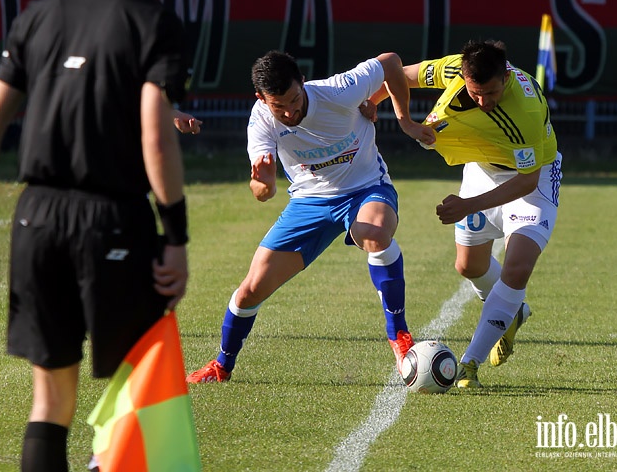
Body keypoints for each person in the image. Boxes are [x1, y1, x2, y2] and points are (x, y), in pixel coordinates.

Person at [0, 0, 193, 471]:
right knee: (138, 391)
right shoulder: (154, 22)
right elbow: (155, 134)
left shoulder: (38, 15)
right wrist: (176, 237)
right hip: (116, 222)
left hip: (37, 218)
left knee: (49, 400)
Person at [185, 50, 435, 384]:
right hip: (308, 203)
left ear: (303, 82)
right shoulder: (261, 121)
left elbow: (391, 63)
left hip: (366, 189)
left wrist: (403, 118)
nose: (290, 111)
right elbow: (262, 192)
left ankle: (400, 336)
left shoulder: (337, 90)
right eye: (279, 106)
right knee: (250, 290)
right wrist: (263, 182)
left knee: (373, 233)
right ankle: (222, 366)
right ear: (261, 99)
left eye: (294, 99)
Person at [364, 39, 562, 389]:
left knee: (517, 266)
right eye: (475, 93)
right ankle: (511, 310)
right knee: (468, 266)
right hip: (483, 166)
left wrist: (469, 205)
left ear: (506, 78)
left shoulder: (525, 112)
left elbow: (526, 180)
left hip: (534, 178)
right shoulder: (456, 67)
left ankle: (470, 364)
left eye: (490, 93)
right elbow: (403, 76)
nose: (483, 101)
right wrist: (374, 102)